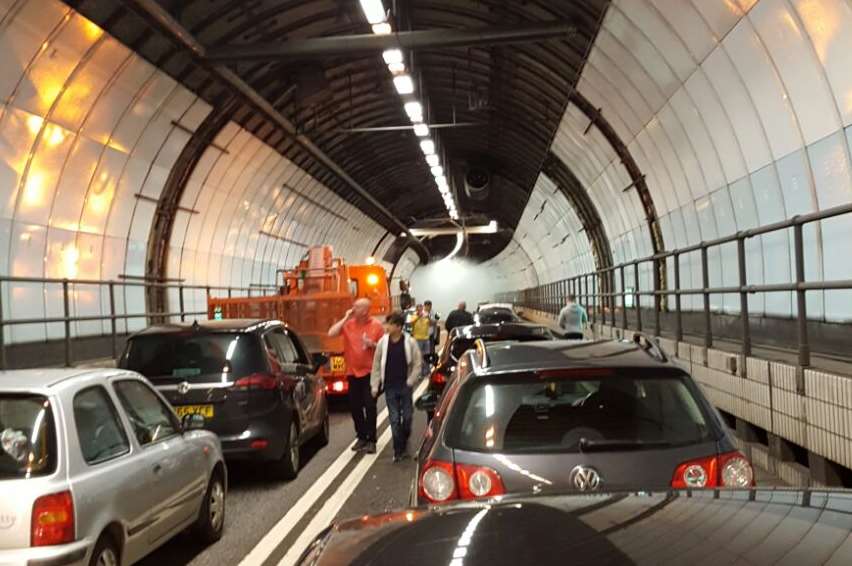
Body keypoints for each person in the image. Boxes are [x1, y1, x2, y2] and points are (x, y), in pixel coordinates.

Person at [328, 298, 385, 453]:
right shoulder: (348, 324)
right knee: (355, 407)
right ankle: (361, 436)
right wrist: (346, 317)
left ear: (365, 310)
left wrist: (372, 345)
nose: (353, 308)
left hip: (370, 373)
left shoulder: (376, 326)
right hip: (352, 373)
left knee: (370, 406)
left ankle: (371, 440)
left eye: (357, 307)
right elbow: (331, 333)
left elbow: (385, 347)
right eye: (353, 306)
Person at [371, 312, 422, 462]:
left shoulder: (410, 342)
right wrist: (375, 386)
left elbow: (417, 363)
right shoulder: (383, 343)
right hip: (390, 386)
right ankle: (398, 450)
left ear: (399, 327)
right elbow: (376, 365)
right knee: (394, 419)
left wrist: (411, 380)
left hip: (405, 385)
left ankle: (404, 441)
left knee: (407, 418)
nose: (387, 327)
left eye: (390, 324)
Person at [410, 304, 432, 377]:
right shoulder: (413, 315)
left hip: (426, 339)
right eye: (418, 309)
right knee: (419, 357)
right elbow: (411, 323)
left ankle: (427, 372)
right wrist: (418, 316)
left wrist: (429, 318)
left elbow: (431, 324)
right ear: (416, 309)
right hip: (417, 339)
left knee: (426, 356)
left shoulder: (426, 315)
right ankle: (420, 373)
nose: (420, 310)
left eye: (421, 308)